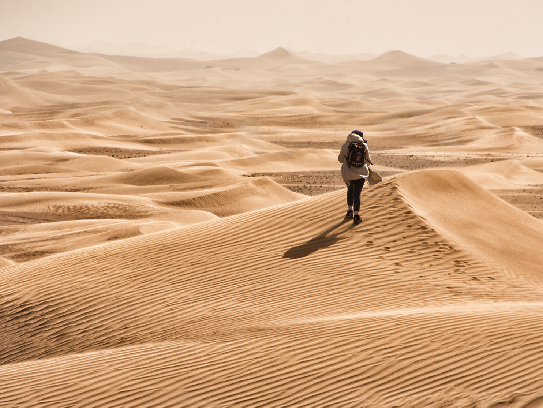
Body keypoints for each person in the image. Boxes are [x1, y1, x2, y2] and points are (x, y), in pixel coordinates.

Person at [338, 130, 373, 224]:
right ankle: (356, 216)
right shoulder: (364, 146)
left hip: (348, 173)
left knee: (350, 190)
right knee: (357, 194)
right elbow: (369, 162)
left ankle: (350, 211)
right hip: (361, 174)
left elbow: (340, 160)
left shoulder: (345, 145)